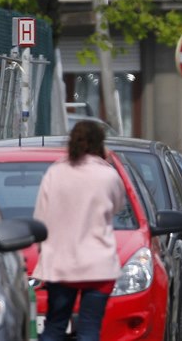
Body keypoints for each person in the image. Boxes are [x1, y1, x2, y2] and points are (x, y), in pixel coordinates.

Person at [33, 120, 125, 340]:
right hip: (99, 267)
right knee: (90, 328)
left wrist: (42, 252)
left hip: (61, 265)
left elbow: (40, 219)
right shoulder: (108, 176)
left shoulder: (55, 172)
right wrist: (108, 162)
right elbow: (118, 207)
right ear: (100, 144)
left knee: (55, 325)